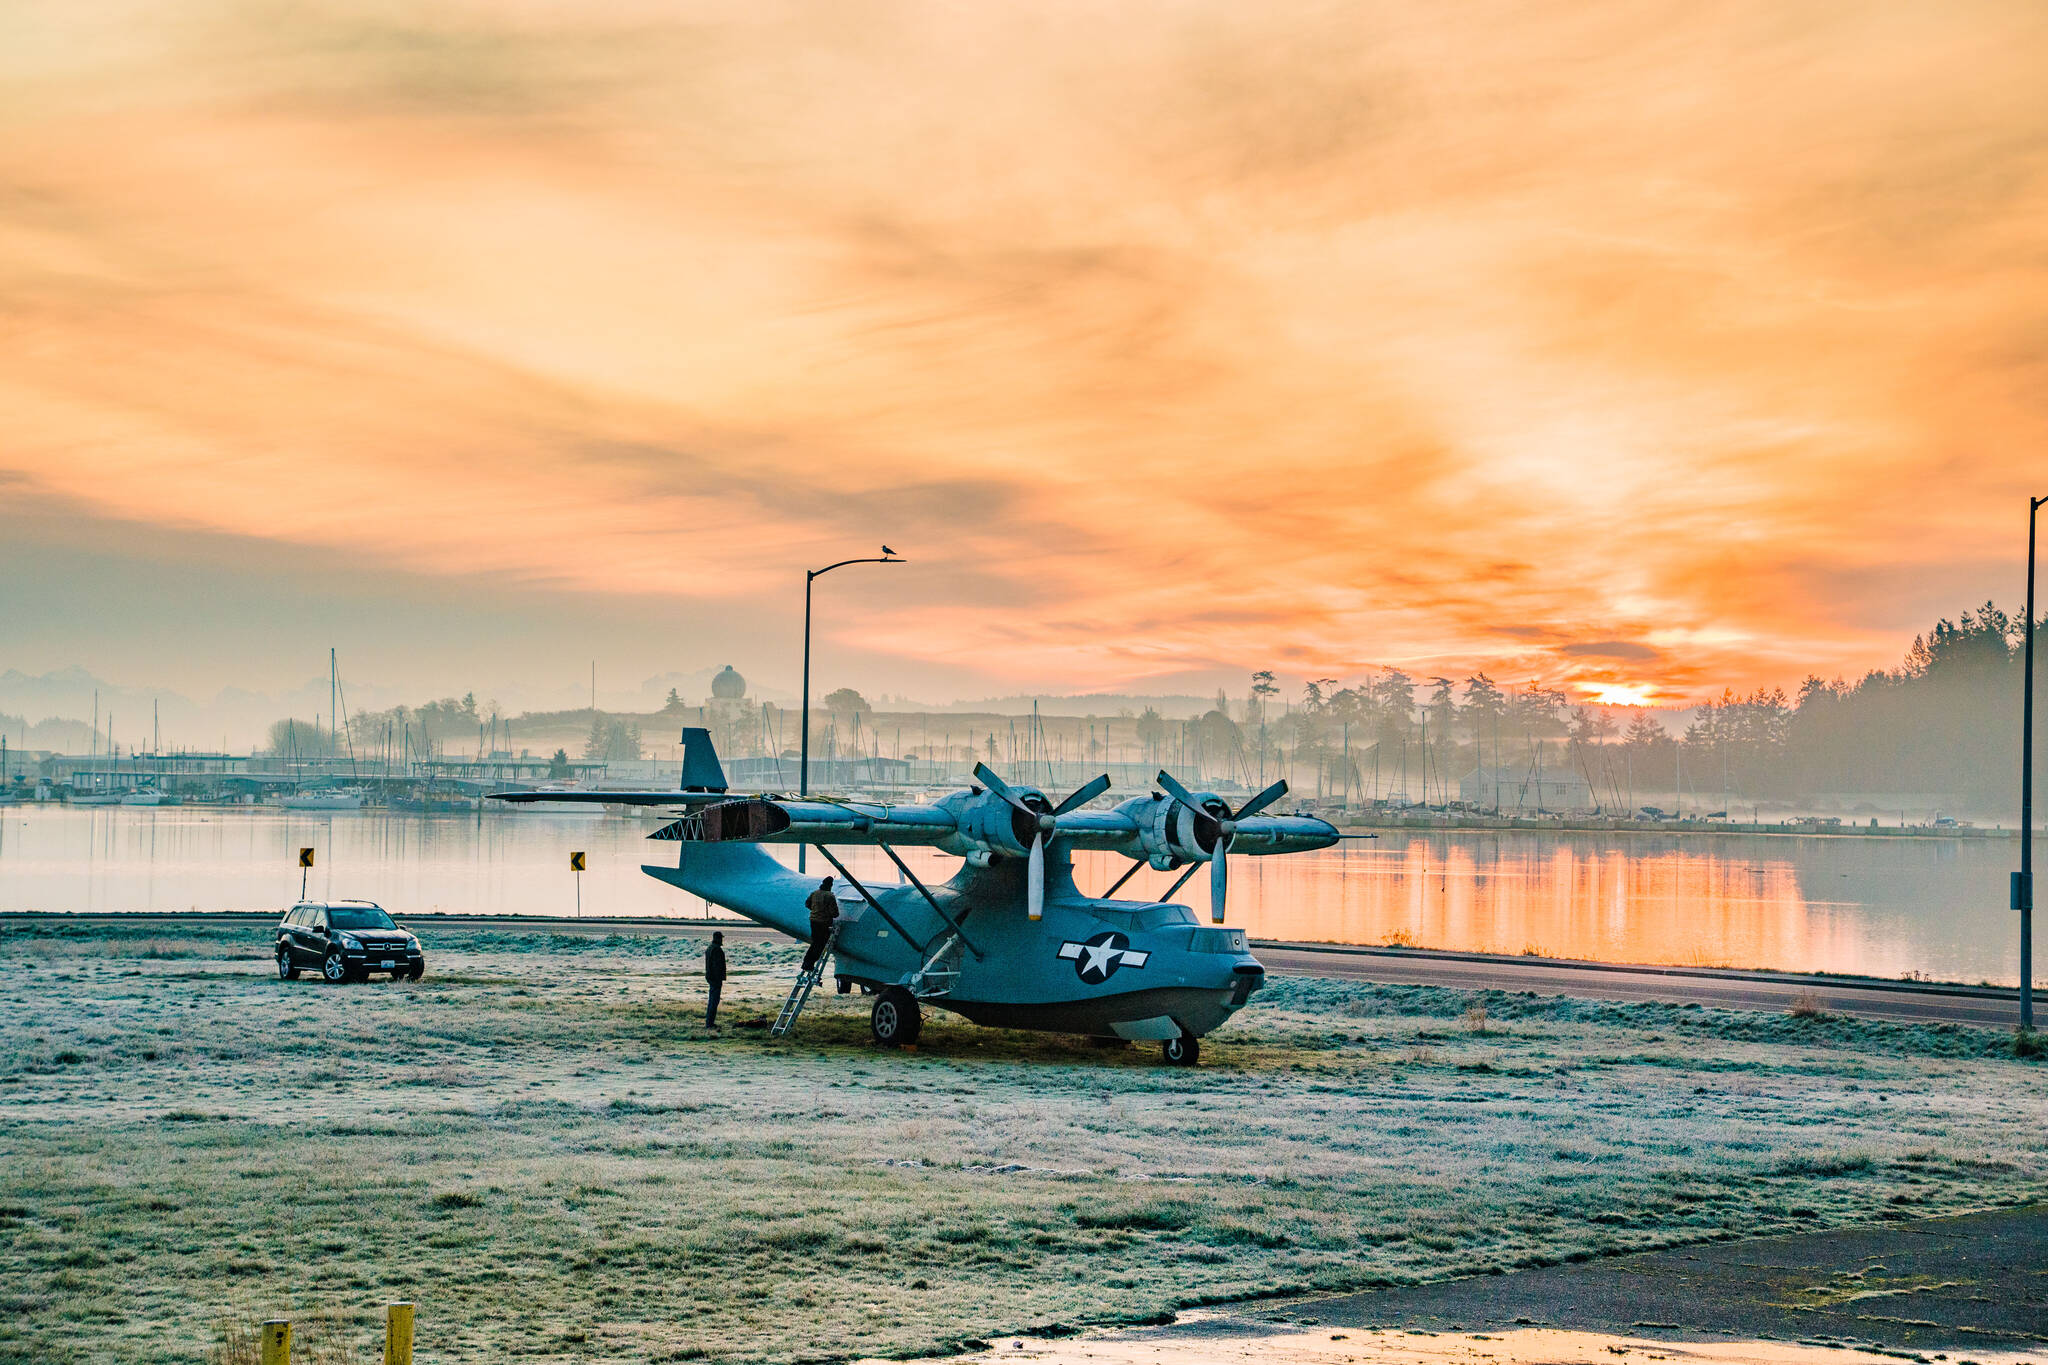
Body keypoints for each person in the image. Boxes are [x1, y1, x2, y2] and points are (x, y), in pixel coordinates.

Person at [801, 876, 839, 975]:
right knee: (820, 944)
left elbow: (807, 904)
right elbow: (834, 913)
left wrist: (815, 911)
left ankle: (806, 962)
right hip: (824, 922)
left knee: (815, 942)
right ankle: (809, 964)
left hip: (813, 921)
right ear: (830, 885)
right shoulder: (830, 896)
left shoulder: (814, 893)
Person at [703, 931, 727, 1029]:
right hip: (715, 979)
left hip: (710, 977)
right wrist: (719, 979)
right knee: (714, 1001)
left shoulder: (710, 948)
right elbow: (717, 966)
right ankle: (710, 1023)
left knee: (712, 1000)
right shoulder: (717, 950)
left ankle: (709, 1022)